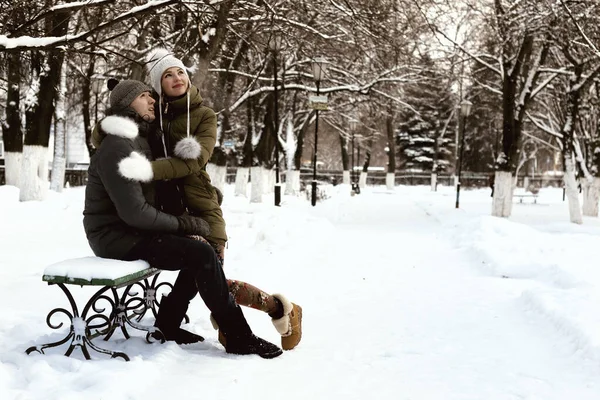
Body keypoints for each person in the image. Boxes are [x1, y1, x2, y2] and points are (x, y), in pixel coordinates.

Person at [83, 79, 282, 359]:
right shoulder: (118, 146)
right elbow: (134, 212)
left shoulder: (138, 139)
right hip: (115, 237)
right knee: (198, 251)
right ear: (126, 103)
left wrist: (202, 201)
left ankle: (168, 324)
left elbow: (157, 189)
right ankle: (238, 336)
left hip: (130, 232)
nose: (152, 100)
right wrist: (186, 224)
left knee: (200, 247)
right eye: (144, 96)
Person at [126, 48, 303, 351]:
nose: (176, 77)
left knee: (210, 279)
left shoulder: (205, 116)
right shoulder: (155, 119)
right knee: (195, 278)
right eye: (167, 75)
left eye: (180, 71)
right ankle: (169, 325)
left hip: (203, 212)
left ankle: (280, 309)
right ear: (159, 85)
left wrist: (147, 170)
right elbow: (122, 127)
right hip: (170, 216)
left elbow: (194, 161)